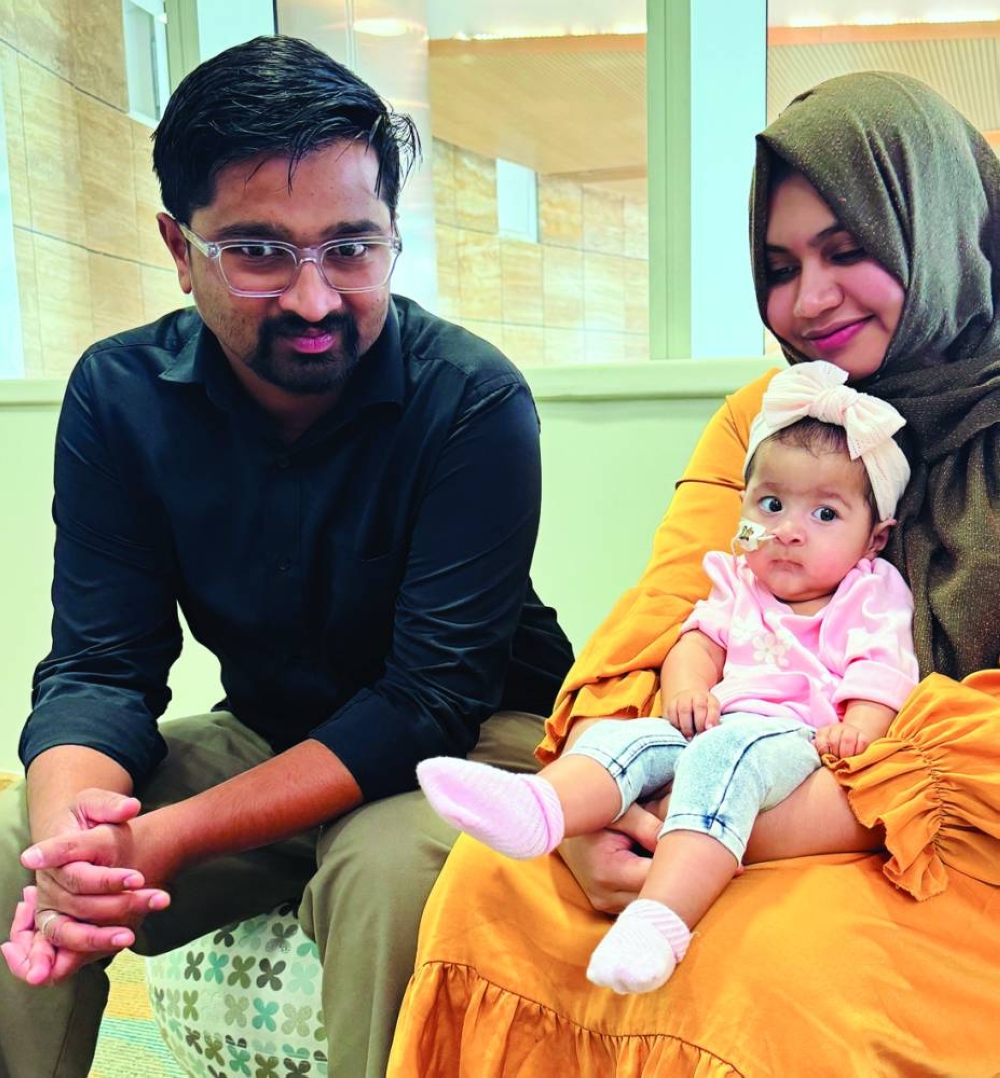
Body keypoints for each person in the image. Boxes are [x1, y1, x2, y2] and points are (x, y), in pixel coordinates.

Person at [388, 71, 1000, 1076]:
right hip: (727, 786)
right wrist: (603, 811)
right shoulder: (774, 417)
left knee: (765, 982)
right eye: (777, 263)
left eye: (848, 250)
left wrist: (746, 828)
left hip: (945, 847)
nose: (808, 300)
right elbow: (669, 610)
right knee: (490, 889)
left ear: (935, 227)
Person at [0, 34, 574, 1078]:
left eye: (350, 248)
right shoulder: (118, 398)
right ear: (180, 249)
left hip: (478, 740)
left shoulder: (471, 400)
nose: (313, 299)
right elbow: (98, 663)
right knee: (13, 850)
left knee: (385, 869)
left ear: (392, 234)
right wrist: (72, 845)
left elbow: (427, 700)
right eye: (260, 252)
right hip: (273, 730)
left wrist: (171, 837)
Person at [418, 360, 917, 995]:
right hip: (718, 722)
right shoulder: (739, 579)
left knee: (720, 760)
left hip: (795, 743)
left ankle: (662, 920)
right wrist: (686, 689)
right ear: (741, 507)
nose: (788, 530)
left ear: (873, 539)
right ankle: (541, 808)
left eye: (825, 515)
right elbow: (697, 640)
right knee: (627, 741)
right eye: (771, 504)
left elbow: (881, 668)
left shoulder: (866, 591)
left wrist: (862, 727)